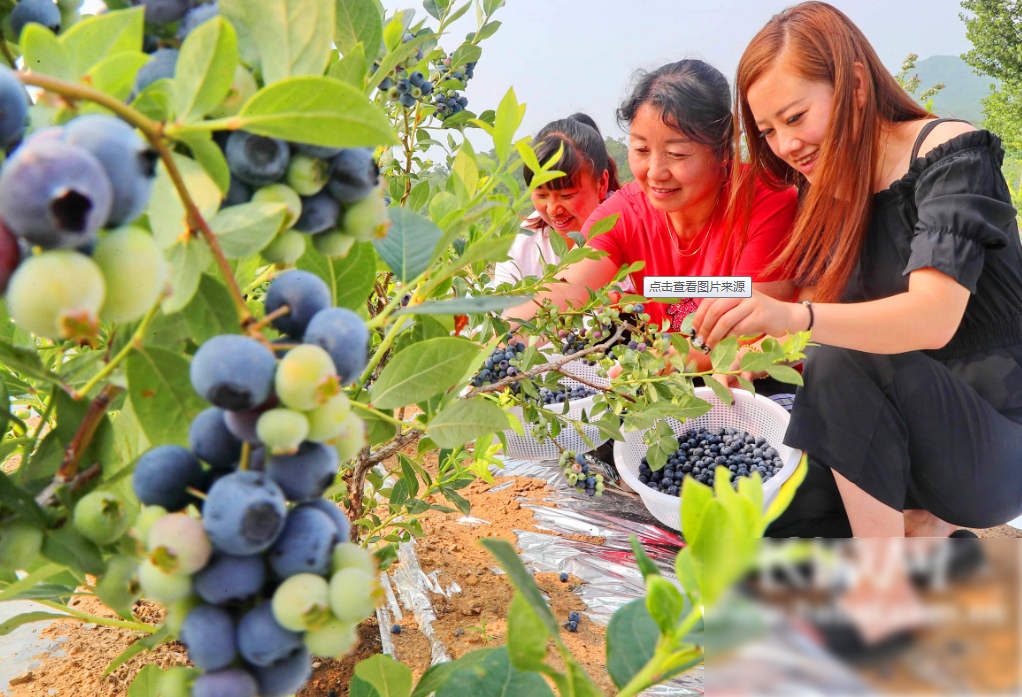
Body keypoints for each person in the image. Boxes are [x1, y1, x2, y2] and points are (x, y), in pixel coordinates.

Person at [690, 1, 1022, 538]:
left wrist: (794, 319)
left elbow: (931, 318)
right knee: (763, 512)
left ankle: (882, 583)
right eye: (769, 130)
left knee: (839, 353)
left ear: (857, 86)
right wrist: (746, 356)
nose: (787, 145)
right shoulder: (829, 195)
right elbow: (824, 320)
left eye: (796, 117)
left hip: (991, 445)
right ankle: (921, 538)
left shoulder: (951, 156)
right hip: (904, 443)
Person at [504, 60, 800, 377]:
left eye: (677, 154)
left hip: (758, 384)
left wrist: (662, 365)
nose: (655, 173)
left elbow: (754, 334)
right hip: (671, 384)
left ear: (722, 148)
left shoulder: (768, 204)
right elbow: (565, 291)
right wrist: (496, 342)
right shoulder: (623, 213)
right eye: (642, 150)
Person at [490, 113, 625, 288]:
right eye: (541, 195)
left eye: (566, 196)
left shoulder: (638, 227)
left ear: (602, 183)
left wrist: (631, 300)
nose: (553, 210)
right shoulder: (520, 247)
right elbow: (501, 309)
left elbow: (670, 289)